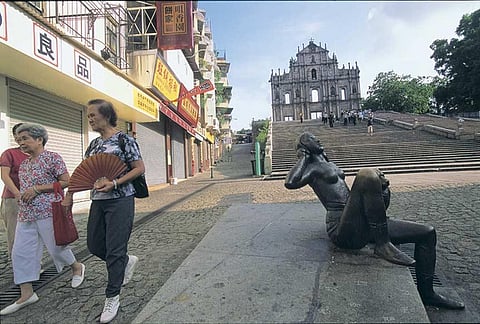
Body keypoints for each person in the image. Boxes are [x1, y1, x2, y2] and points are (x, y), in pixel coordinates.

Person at [284, 132, 465, 310]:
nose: (318, 139)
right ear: (306, 146)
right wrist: (303, 157)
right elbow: (290, 182)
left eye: (317, 137)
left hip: (360, 219)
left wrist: (382, 192)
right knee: (365, 174)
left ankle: (428, 294)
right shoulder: (312, 168)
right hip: (342, 228)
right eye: (312, 139)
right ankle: (382, 243)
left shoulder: (329, 163)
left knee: (428, 232)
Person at [0, 124, 85, 316]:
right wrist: (20, 195)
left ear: (39, 139)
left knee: (57, 248)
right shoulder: (24, 164)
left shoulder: (53, 157)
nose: (21, 143)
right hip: (26, 214)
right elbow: (24, 187)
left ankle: (77, 267)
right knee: (20, 252)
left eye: (25, 138)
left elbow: (66, 181)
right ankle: (27, 294)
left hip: (48, 211)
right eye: (19, 140)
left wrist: (39, 189)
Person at [83, 99, 144, 323]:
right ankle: (125, 262)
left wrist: (115, 183)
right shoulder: (93, 145)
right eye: (88, 116)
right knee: (95, 245)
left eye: (92, 115)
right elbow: (87, 170)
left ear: (106, 116)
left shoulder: (124, 139)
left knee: (115, 249)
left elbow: (139, 168)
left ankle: (112, 296)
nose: (89, 119)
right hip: (98, 200)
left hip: (120, 200)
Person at [0, 123, 29, 260]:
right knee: (15, 233)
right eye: (18, 135)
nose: (21, 139)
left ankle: (34, 264)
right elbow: (4, 175)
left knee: (31, 234)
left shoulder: (37, 155)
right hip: (12, 199)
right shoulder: (9, 153)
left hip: (32, 199)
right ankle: (18, 267)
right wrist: (17, 193)